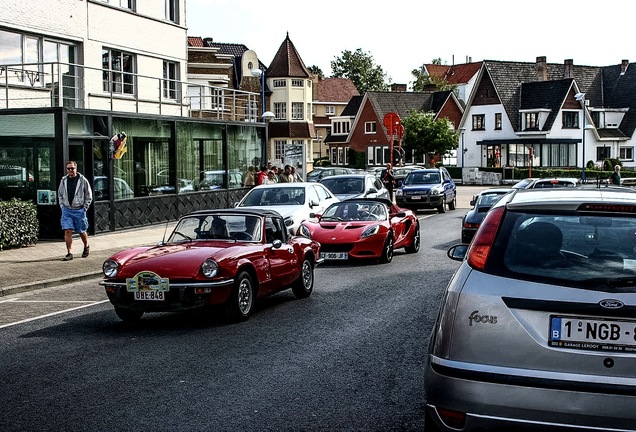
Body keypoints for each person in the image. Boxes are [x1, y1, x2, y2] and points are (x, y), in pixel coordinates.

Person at [57, 161, 93, 261]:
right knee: (67, 231)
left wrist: (84, 208)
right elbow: (60, 194)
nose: (70, 170)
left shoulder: (82, 180)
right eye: (68, 169)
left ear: (76, 169)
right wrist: (62, 206)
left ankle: (86, 246)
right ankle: (69, 253)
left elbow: (88, 195)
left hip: (79, 210)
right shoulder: (63, 180)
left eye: (72, 168)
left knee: (82, 231)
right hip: (67, 210)